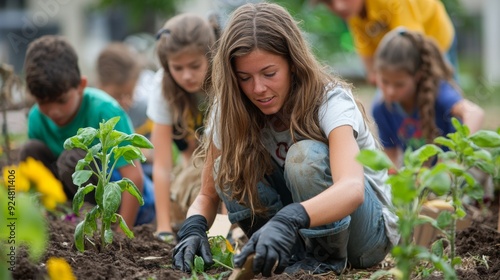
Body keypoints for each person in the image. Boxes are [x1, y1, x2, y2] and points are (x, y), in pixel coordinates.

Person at [172, 2, 399, 277]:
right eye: (245, 78)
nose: (258, 89)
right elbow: (208, 194)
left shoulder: (329, 100)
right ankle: (281, 257)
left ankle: (324, 262)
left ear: (293, 64)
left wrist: (290, 219)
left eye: (269, 74)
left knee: (304, 157)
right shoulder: (230, 109)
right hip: (297, 231)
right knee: (227, 168)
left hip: (364, 237)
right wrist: (193, 228)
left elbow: (352, 188)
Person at [20, 35, 155, 227]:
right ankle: (54, 221)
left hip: (135, 207)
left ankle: (101, 223)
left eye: (61, 101)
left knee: (73, 159)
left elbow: (133, 177)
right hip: (75, 196)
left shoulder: (105, 110)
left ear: (81, 86)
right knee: (30, 151)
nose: (53, 111)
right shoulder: (36, 118)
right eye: (43, 103)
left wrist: (121, 234)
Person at [371, 28, 493, 199]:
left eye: (399, 84)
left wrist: (451, 160)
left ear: (418, 76)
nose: (390, 91)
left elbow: (475, 113)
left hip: (452, 175)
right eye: (384, 82)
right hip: (421, 178)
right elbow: (391, 157)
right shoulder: (382, 109)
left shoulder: (438, 93)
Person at [147, 13, 219, 243]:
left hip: (233, 160)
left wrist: (223, 233)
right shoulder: (162, 87)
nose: (187, 76)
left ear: (211, 55)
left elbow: (229, 158)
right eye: (177, 68)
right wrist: (163, 228)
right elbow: (162, 164)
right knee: (182, 196)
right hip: (196, 162)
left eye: (195, 66)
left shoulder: (225, 78)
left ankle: (227, 229)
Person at [313, 0, 457, 85]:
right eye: (329, 2)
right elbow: (370, 66)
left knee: (443, 91)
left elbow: (411, 44)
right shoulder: (354, 15)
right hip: (399, 51)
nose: (339, 6)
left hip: (433, 40)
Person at [96, 42, 154, 178]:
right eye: (118, 96)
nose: (126, 102)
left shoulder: (141, 112)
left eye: (130, 95)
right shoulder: (94, 113)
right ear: (100, 85)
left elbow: (155, 154)